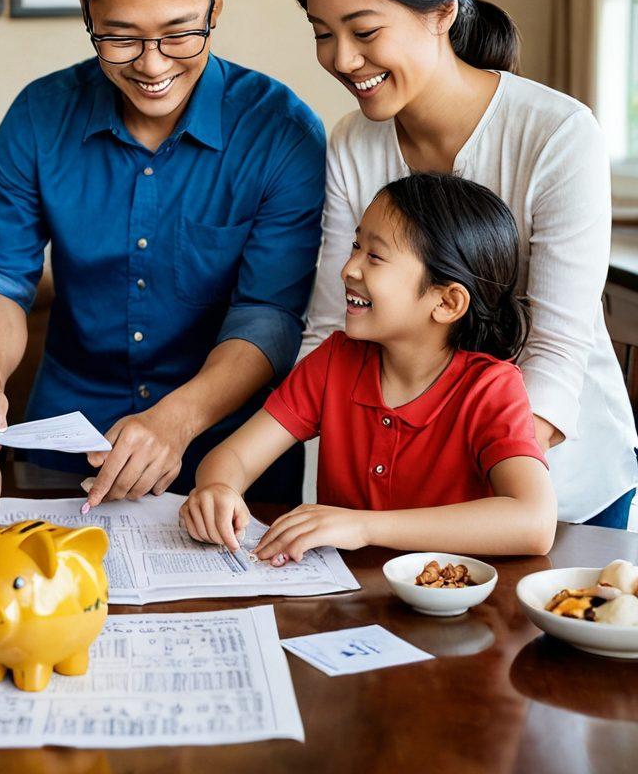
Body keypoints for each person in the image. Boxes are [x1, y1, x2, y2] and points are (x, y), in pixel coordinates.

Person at [0, 0, 326, 508]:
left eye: (178, 34)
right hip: (63, 450)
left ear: (216, 1)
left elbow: (269, 314)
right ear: (87, 9)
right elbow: (1, 276)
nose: (151, 64)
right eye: (120, 37)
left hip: (230, 455)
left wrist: (176, 421)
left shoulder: (281, 134)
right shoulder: (39, 117)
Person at [292, 0, 638, 528]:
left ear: (442, 11)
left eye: (365, 31)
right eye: (322, 34)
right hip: (393, 500)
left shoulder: (556, 133)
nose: (341, 59)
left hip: (557, 491)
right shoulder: (350, 142)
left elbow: (556, 353)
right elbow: (332, 331)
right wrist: (329, 500)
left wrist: (448, 496)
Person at [181, 173, 557, 561]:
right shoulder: (334, 361)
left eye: (374, 256)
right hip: (347, 597)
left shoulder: (491, 388)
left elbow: (534, 522)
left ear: (446, 303)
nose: (348, 269)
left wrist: (363, 525)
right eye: (356, 246)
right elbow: (234, 457)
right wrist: (219, 490)